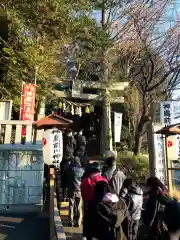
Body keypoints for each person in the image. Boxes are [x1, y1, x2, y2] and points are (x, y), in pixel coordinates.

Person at [81, 162, 108, 240]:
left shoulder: (87, 180)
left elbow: (84, 194)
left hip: (89, 207)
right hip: (103, 208)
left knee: (88, 227)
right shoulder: (104, 180)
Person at [67, 156, 85, 227]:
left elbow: (67, 176)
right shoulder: (82, 170)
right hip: (79, 190)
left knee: (71, 206)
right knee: (79, 206)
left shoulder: (71, 169)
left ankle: (70, 221)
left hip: (72, 190)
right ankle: (78, 222)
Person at [61, 129, 76, 201]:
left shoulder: (62, 138)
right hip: (69, 159)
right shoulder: (72, 139)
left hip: (63, 159)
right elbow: (75, 146)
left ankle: (64, 196)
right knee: (69, 178)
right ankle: (69, 197)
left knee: (64, 178)